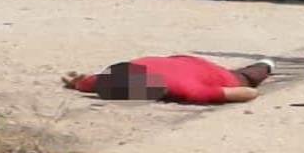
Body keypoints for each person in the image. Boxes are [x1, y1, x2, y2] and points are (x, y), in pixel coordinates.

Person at [63, 55, 274, 104]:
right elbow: (82, 82)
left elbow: (249, 93)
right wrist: (77, 82)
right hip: (180, 60)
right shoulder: (107, 80)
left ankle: (267, 65)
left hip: (219, 75)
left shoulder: (185, 89)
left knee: (247, 76)